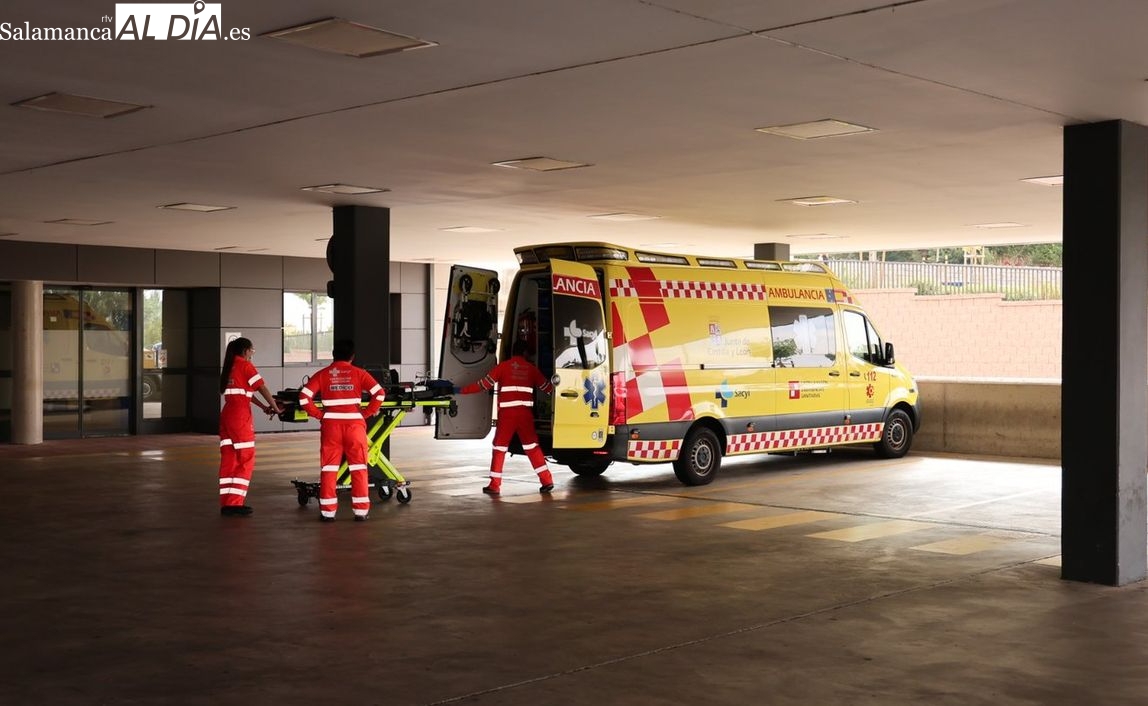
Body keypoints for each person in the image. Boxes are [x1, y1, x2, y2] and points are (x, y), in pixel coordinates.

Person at [299, 339, 386, 522]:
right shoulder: (359, 373)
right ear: (352, 356)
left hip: (331, 426)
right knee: (359, 468)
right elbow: (379, 393)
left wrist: (320, 415)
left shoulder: (323, 374)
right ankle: (361, 512)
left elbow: (304, 397)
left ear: (333, 354)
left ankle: (328, 513)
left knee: (329, 469)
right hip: (355, 426)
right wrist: (366, 413)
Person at [457, 339, 555, 495]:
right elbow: (548, 388)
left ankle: (495, 485)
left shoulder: (502, 367)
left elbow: (483, 385)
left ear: (512, 351)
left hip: (507, 416)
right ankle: (547, 481)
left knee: (500, 448)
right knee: (532, 447)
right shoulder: (531, 369)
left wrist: (461, 390)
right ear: (525, 353)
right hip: (525, 416)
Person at [218, 337, 283, 517]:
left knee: (229, 459)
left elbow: (247, 392)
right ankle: (235, 503)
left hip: (227, 415)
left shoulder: (230, 366)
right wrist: (276, 407)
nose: (252, 354)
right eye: (252, 351)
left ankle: (226, 503)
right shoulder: (246, 366)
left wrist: (263, 407)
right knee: (246, 459)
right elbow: (261, 387)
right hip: (240, 417)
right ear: (246, 351)